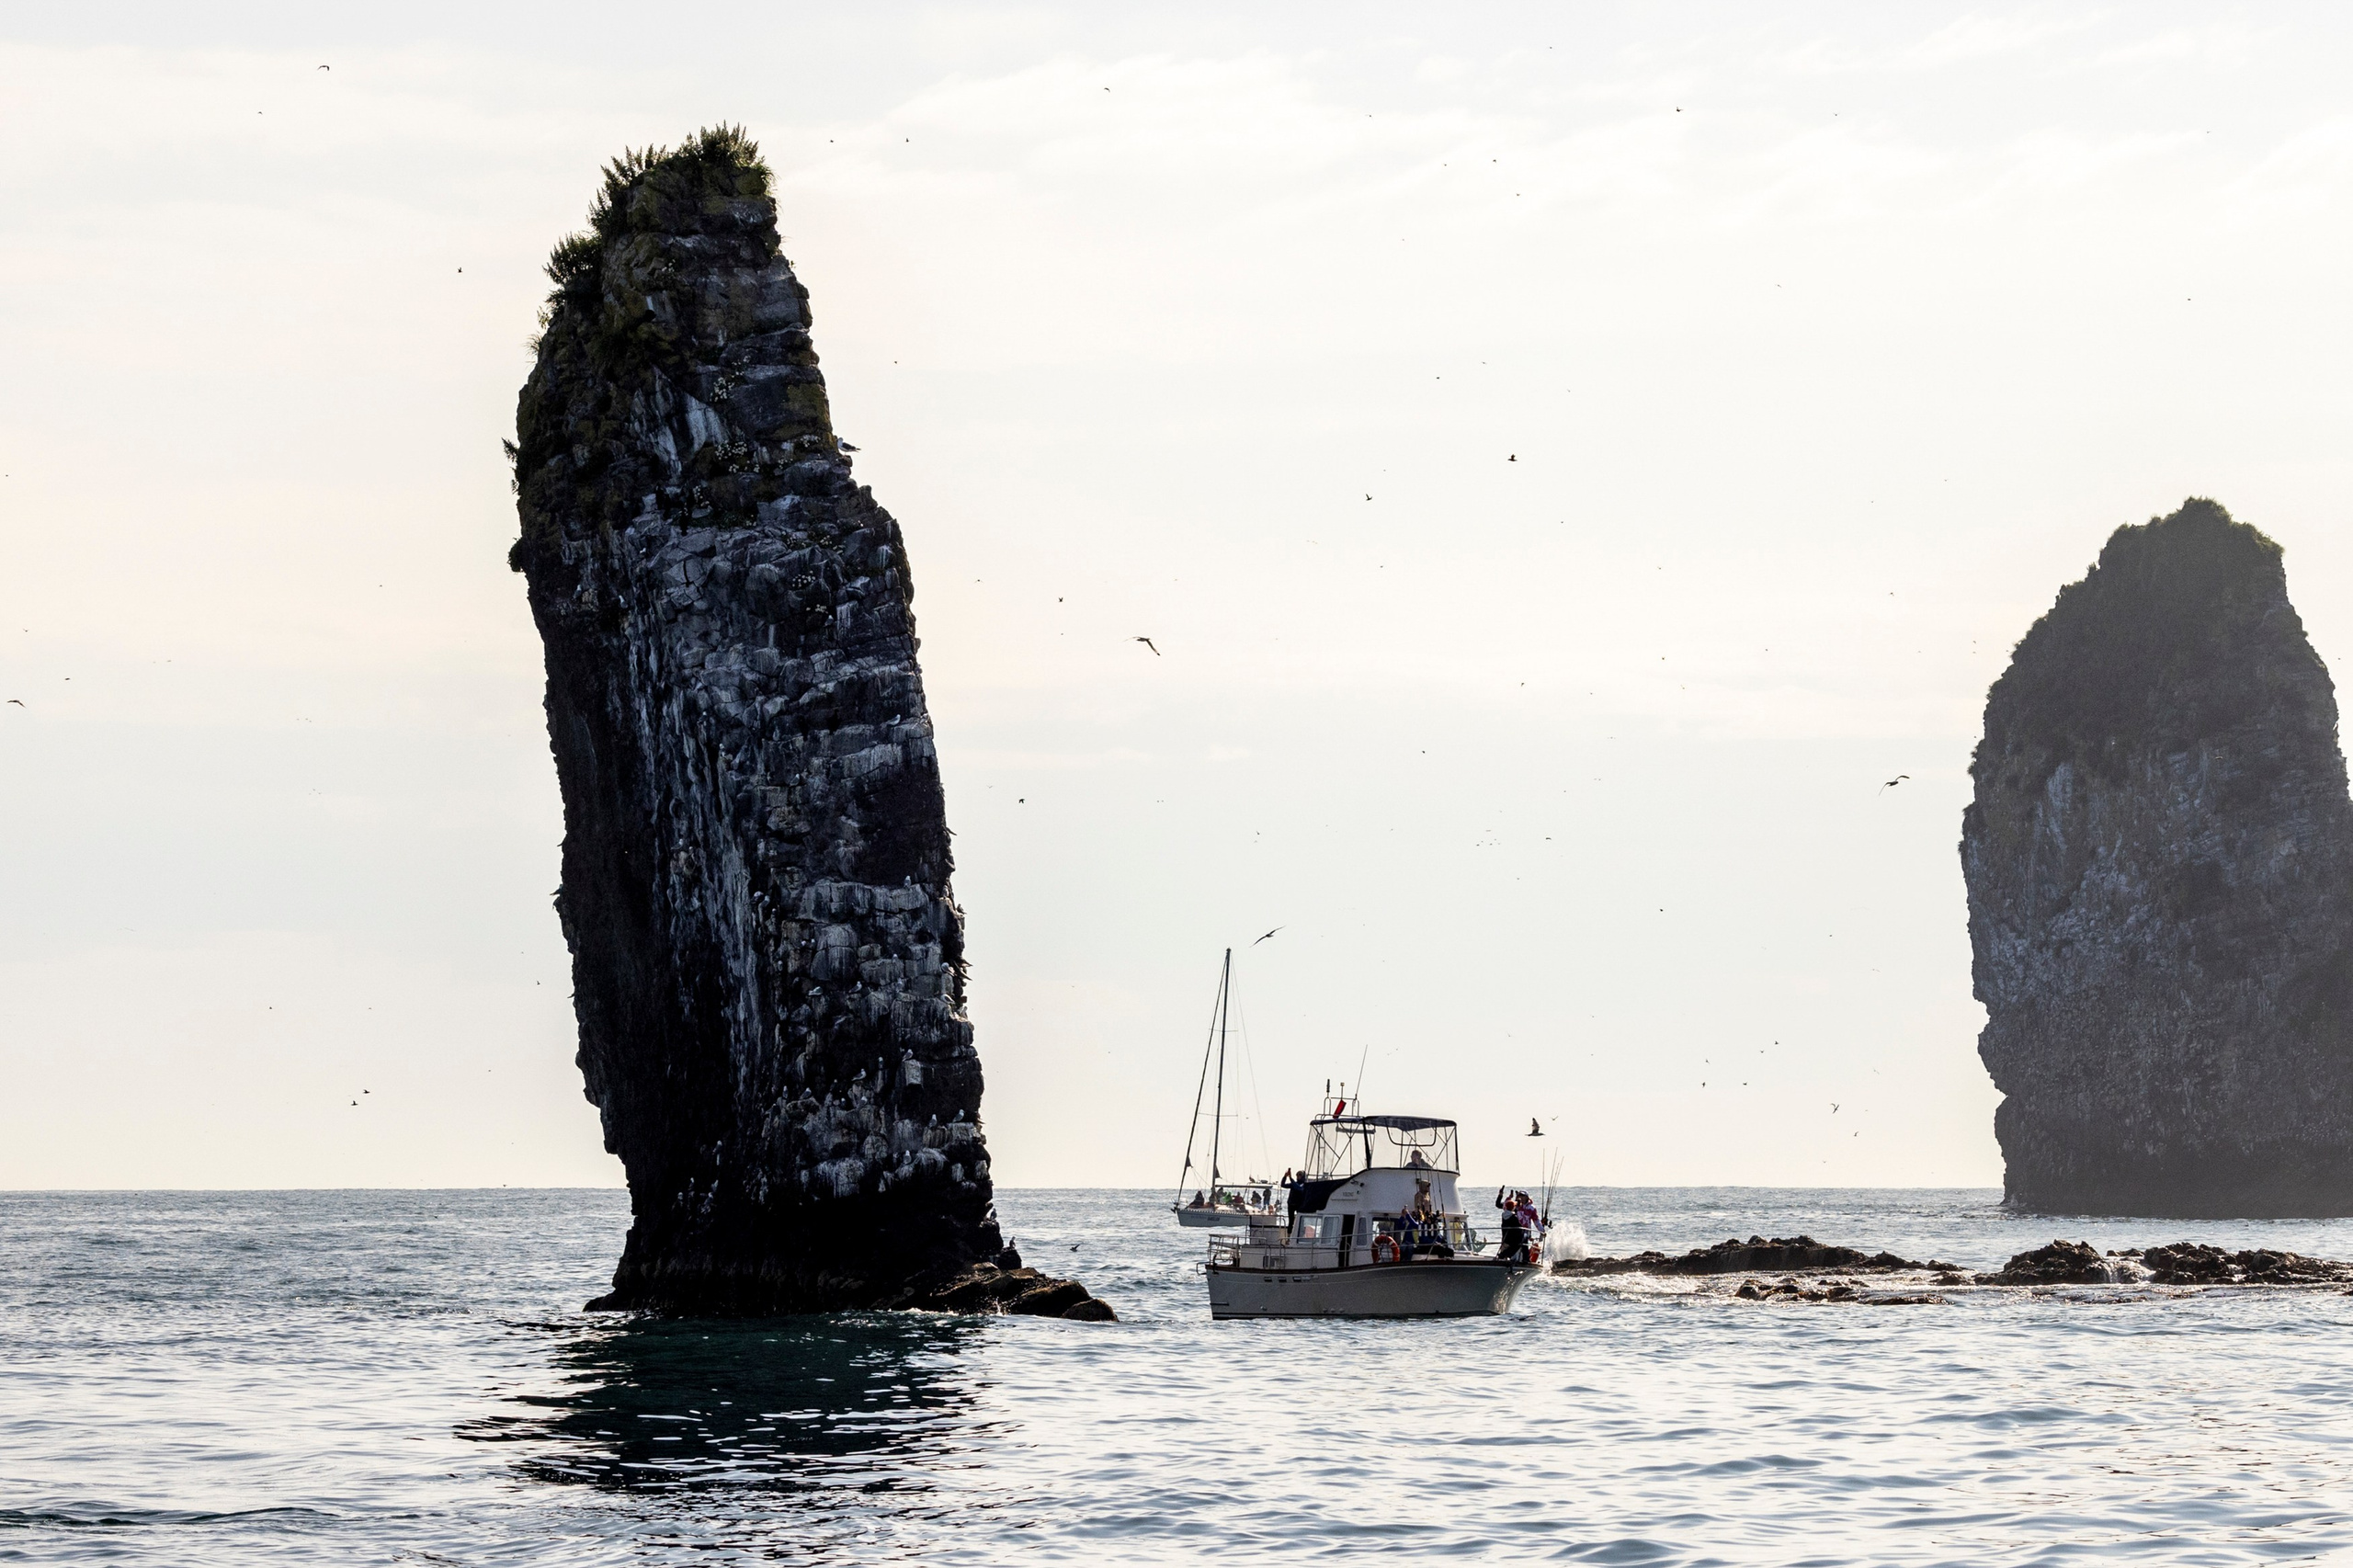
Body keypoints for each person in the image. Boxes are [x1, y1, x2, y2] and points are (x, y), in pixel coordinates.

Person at [1495, 1187, 1526, 1261]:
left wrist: (1501, 1195)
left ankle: (1502, 1257)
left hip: (1505, 1237)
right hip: (1511, 1239)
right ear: (1513, 1208)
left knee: (1505, 1247)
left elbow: (1498, 1204)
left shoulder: (1504, 1215)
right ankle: (1505, 1256)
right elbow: (1519, 1227)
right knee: (1521, 1240)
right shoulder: (1513, 1217)